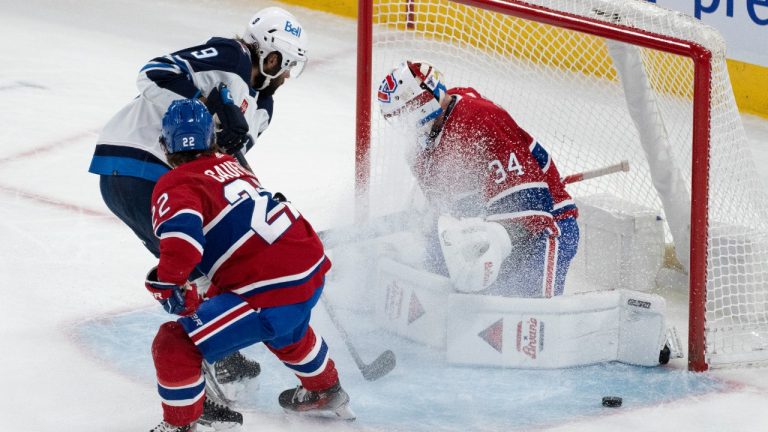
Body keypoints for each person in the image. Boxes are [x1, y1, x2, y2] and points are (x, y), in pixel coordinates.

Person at [88, 6, 308, 400]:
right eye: (283, 62)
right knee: (190, 262)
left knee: (208, 264)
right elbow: (153, 73)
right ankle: (201, 363)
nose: (286, 73)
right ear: (265, 50)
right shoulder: (231, 55)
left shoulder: (263, 108)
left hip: (168, 179)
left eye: (292, 67)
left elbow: (220, 156)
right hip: (138, 160)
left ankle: (214, 352)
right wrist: (209, 102)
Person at [147, 99, 353, 432]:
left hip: (270, 286)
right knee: (288, 330)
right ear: (211, 139)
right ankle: (324, 388)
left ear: (166, 146)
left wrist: (168, 283)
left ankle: (180, 426)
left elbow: (183, 240)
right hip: (308, 265)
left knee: (174, 342)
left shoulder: (175, 182)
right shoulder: (231, 164)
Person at [376, 60, 579, 298]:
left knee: (529, 314)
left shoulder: (481, 120)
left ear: (422, 102)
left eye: (403, 114)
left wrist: (488, 246)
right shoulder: (417, 151)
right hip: (487, 226)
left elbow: (531, 207)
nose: (402, 125)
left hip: (546, 226)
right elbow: (447, 214)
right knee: (437, 287)